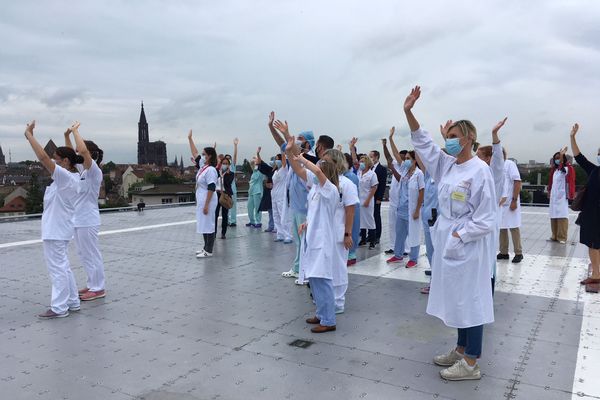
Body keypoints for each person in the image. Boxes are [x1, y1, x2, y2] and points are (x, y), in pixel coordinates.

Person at [404, 86, 496, 381]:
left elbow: (485, 219)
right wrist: (409, 112)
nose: (450, 142)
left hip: (468, 244)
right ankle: (460, 348)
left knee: (471, 299)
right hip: (448, 239)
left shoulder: (479, 171)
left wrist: (460, 237)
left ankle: (471, 363)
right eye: (449, 137)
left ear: (469, 138)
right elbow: (425, 145)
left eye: (455, 137)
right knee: (458, 298)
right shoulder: (447, 166)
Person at [24, 120, 81, 318]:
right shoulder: (73, 176)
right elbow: (72, 154)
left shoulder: (65, 178)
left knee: (57, 270)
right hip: (60, 229)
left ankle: (59, 308)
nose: (53, 162)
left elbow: (42, 157)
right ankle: (72, 302)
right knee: (63, 267)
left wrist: (29, 135)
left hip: (56, 231)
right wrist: (68, 136)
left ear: (66, 162)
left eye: (57, 159)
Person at [270, 114, 334, 281]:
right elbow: (284, 146)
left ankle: (302, 270)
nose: (296, 140)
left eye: (300, 138)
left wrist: (287, 133)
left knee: (305, 240)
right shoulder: (298, 155)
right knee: (299, 240)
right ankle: (299, 267)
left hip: (306, 206)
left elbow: (296, 152)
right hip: (296, 205)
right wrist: (271, 127)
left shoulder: (313, 159)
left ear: (309, 143)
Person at [286, 138, 339, 333]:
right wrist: (289, 151)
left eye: (318, 168)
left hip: (323, 242)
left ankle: (329, 320)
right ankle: (321, 313)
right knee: (314, 279)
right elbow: (299, 171)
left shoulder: (330, 189)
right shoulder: (316, 189)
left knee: (322, 280)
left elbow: (314, 170)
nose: (315, 171)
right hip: (312, 239)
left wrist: (303, 158)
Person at [64, 124, 106, 301]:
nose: (77, 154)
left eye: (81, 152)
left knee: (91, 253)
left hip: (88, 220)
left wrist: (75, 131)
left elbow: (82, 150)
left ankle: (99, 288)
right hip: (78, 219)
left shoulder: (94, 171)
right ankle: (91, 283)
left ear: (88, 154)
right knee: (83, 253)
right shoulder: (83, 171)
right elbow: (71, 152)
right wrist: (66, 135)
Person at [324, 149, 358, 314]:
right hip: (324, 234)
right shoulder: (324, 183)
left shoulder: (346, 184)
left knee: (338, 268)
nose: (323, 165)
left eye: (327, 162)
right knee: (326, 268)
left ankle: (338, 302)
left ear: (336, 164)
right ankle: (327, 300)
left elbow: (350, 211)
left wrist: (347, 234)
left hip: (339, 234)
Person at [569, 123, 600, 286]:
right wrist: (572, 137)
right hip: (590, 215)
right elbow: (579, 157)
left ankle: (596, 274)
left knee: (594, 245)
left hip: (596, 217)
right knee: (593, 245)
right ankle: (597, 271)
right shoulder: (594, 170)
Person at [386, 151, 424, 268]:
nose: (406, 160)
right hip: (401, 208)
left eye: (408, 158)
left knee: (413, 234)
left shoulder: (419, 174)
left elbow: (422, 191)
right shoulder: (404, 172)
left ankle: (413, 258)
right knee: (400, 233)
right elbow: (399, 179)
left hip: (412, 210)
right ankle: (398, 255)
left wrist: (417, 209)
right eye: (405, 158)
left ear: (415, 160)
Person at [188, 130, 218, 258]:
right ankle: (205, 248)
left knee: (209, 224)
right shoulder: (203, 167)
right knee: (203, 223)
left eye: (204, 154)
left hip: (208, 199)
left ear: (210, 156)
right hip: (202, 198)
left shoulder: (211, 170)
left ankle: (209, 250)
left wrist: (206, 205)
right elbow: (195, 154)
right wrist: (190, 139)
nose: (202, 156)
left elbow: (211, 187)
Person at [415, 152, 438, 294]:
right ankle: (434, 283)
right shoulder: (429, 175)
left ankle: (440, 284)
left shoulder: (447, 176)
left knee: (441, 254)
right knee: (431, 252)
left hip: (441, 221)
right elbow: (420, 158)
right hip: (428, 220)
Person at [351, 138, 378, 249]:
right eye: (360, 161)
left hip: (368, 200)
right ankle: (363, 239)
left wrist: (367, 200)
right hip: (359, 199)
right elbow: (354, 160)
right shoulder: (359, 172)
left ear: (367, 163)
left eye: (362, 162)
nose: (360, 163)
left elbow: (374, 187)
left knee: (369, 220)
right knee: (360, 220)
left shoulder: (372, 174)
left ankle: (372, 241)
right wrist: (352, 147)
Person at [383, 127, 407, 255]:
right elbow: (388, 156)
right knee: (392, 226)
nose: (399, 159)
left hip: (402, 203)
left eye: (402, 157)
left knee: (403, 228)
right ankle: (393, 246)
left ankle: (406, 249)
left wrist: (391, 139)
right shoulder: (397, 165)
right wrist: (385, 145)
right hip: (393, 202)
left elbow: (395, 154)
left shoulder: (404, 168)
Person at [498, 154, 523, 263]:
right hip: (501, 203)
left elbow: (517, 181)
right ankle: (504, 252)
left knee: (514, 227)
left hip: (511, 202)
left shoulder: (509, 164)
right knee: (501, 227)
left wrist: (514, 200)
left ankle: (518, 253)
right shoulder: (496, 166)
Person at [547, 147, 570, 244]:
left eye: (559, 158)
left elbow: (562, 167)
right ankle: (554, 236)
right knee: (553, 216)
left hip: (561, 197)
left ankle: (562, 237)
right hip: (554, 197)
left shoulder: (566, 169)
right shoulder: (555, 171)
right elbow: (551, 183)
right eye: (555, 158)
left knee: (562, 217)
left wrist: (562, 155)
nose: (557, 159)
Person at [270, 153, 293, 243]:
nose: (276, 161)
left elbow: (284, 162)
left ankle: (288, 235)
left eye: (277, 159)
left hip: (281, 196)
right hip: (274, 195)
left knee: (283, 216)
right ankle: (280, 234)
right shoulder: (275, 171)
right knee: (276, 216)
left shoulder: (284, 169)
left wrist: (283, 151)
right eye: (275, 159)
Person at [344, 153, 361, 266]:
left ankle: (352, 254)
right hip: (346, 206)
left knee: (352, 228)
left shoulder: (351, 176)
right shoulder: (344, 175)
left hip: (352, 206)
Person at [371, 149, 388, 245]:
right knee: (370, 216)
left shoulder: (382, 169)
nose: (370, 158)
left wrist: (379, 198)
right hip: (369, 196)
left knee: (376, 216)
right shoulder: (370, 168)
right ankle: (371, 235)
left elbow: (382, 185)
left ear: (376, 157)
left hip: (376, 196)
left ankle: (377, 235)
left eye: (371, 156)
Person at [256, 148, 275, 233]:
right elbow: (262, 163)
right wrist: (258, 154)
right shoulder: (270, 170)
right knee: (271, 211)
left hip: (277, 194)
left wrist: (272, 185)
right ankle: (271, 226)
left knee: (276, 212)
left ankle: (277, 227)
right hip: (269, 194)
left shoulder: (281, 170)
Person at [215, 156, 234, 239]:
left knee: (224, 214)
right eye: (223, 163)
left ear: (229, 165)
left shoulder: (231, 174)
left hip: (225, 195)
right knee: (215, 214)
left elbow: (228, 183)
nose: (224, 165)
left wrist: (226, 174)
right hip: (217, 194)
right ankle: (214, 232)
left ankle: (223, 233)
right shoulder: (216, 172)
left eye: (226, 164)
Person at [246, 153, 266, 228]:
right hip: (251, 191)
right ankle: (252, 221)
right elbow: (251, 163)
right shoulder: (253, 172)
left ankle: (258, 221)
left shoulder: (261, 171)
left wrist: (258, 157)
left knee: (257, 207)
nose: (254, 164)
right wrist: (254, 158)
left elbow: (259, 164)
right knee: (249, 207)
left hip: (257, 191)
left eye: (256, 162)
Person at [227, 138, 239, 227]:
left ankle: (233, 221)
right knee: (226, 205)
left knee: (233, 206)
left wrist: (235, 146)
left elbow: (235, 156)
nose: (228, 160)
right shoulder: (222, 168)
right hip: (226, 190)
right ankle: (227, 220)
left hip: (233, 190)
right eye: (226, 159)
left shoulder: (232, 166)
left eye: (229, 158)